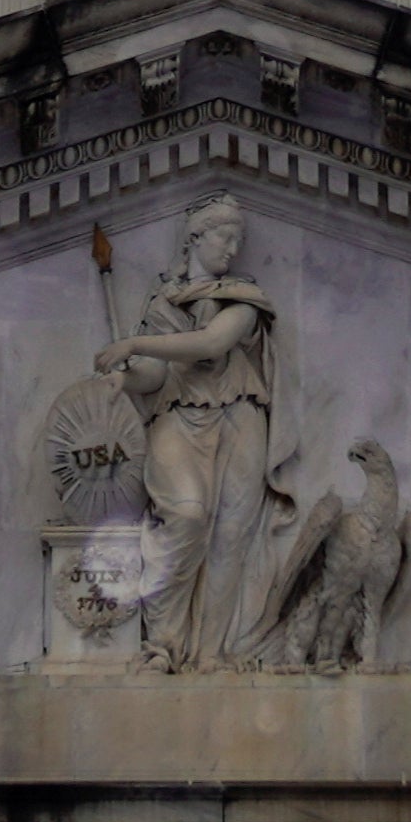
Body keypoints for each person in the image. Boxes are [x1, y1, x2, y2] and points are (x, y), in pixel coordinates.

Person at [91, 196, 286, 670]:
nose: (233, 248)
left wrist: (132, 342)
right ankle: (163, 644)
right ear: (196, 237)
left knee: (229, 537)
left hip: (239, 416)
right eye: (225, 235)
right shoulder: (161, 302)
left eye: (238, 238)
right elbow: (155, 375)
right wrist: (124, 377)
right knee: (185, 515)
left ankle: (211, 652)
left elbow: (212, 343)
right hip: (178, 415)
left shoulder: (244, 298)